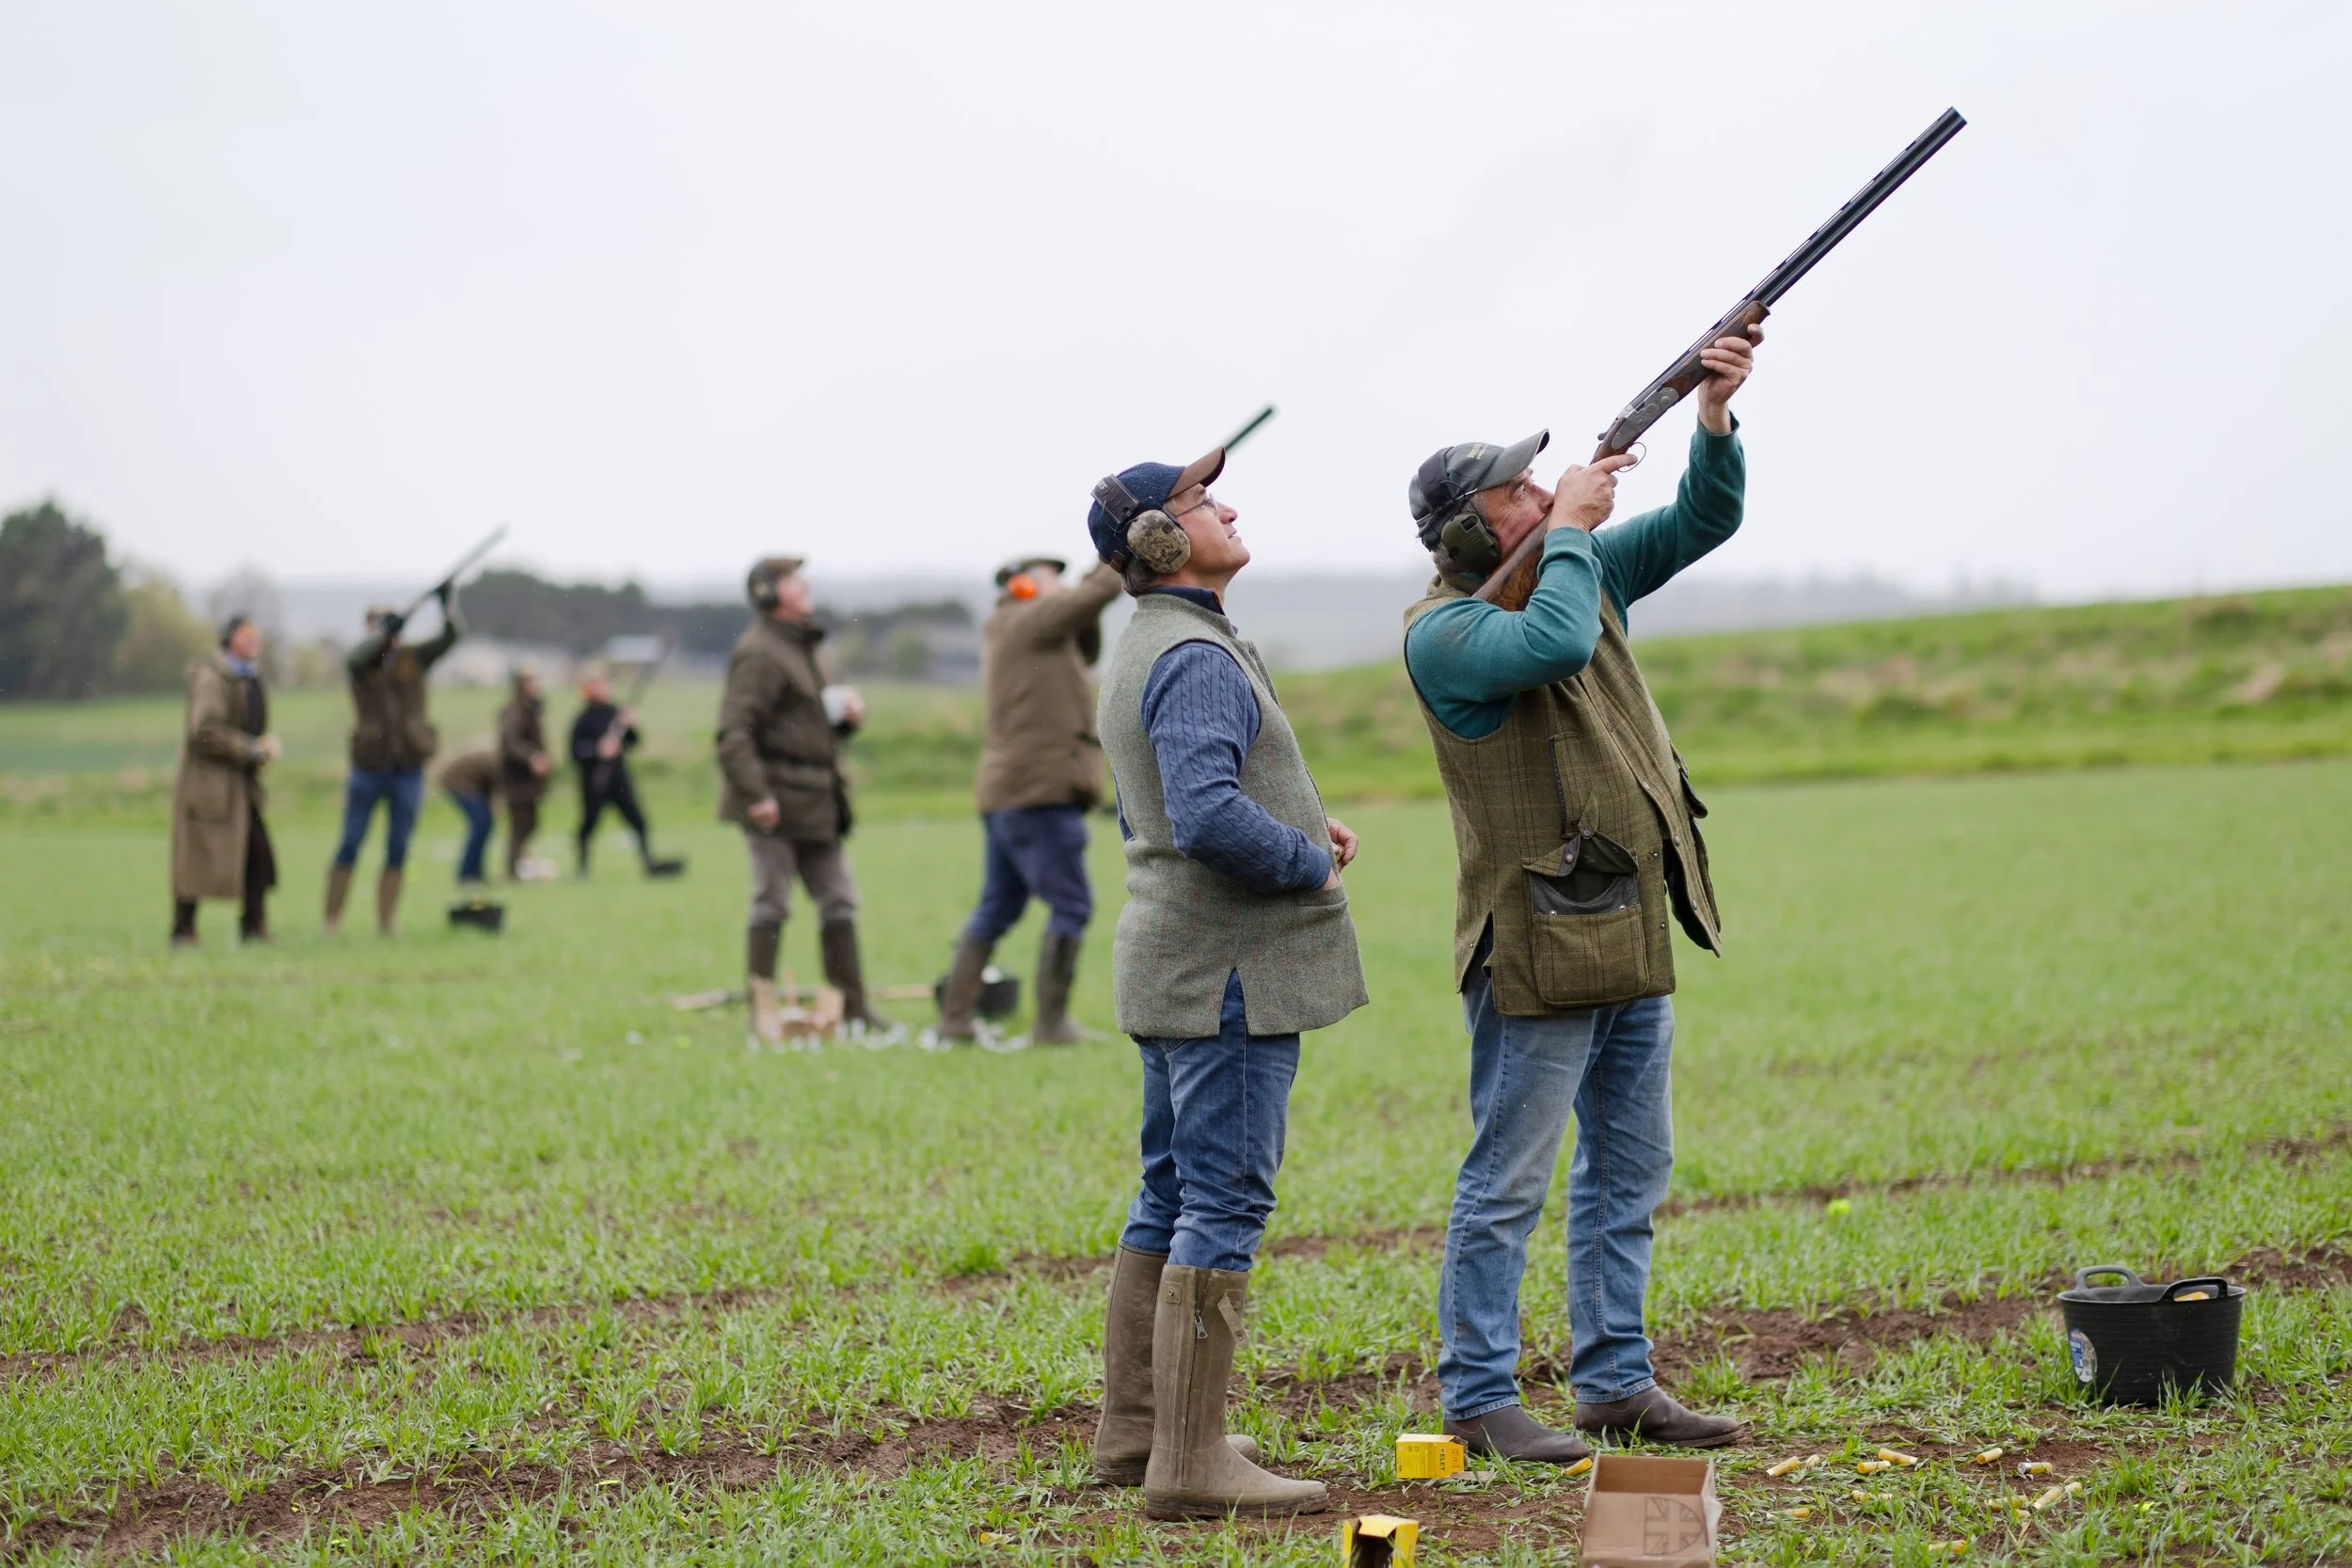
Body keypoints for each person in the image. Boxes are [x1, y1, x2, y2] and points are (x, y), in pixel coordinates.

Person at [1399, 326, 1763, 1464]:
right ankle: (1477, 1393)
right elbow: (1553, 643)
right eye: (1515, 490)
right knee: (1507, 1177)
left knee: (1629, 1166)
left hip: (1627, 917)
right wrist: (1567, 529)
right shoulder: (1443, 633)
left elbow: (1706, 523)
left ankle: (1614, 1380)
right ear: (1468, 530)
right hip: (1536, 944)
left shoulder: (1578, 562)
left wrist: (1707, 419)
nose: (1542, 491)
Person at [1085, 444, 1367, 1520]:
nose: (1229, 506)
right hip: (1226, 976)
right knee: (1225, 1196)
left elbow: (1162, 801)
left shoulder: (1153, 642)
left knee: (1168, 1188)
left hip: (1175, 962)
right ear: (1158, 537)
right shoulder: (1196, 654)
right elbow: (1202, 814)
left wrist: (1298, 816)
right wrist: (1304, 858)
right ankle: (1190, 1462)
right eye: (1203, 499)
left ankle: (1140, 1428)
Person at [935, 554, 1123, 1044]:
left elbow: (1084, 631)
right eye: (1049, 578)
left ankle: (955, 1021)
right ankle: (1051, 1023)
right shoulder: (1023, 619)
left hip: (1012, 792)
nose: (1059, 586)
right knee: (1072, 905)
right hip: (1037, 792)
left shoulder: (1023, 628)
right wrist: (1115, 554)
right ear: (1021, 585)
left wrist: (1080, 595)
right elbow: (1092, 597)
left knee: (996, 908)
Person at [715, 558, 890, 1041]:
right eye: (793, 580)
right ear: (769, 593)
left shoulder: (807, 647)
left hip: (818, 798)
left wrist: (844, 723)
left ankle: (853, 1010)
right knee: (771, 904)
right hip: (773, 798)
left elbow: (801, 728)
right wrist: (756, 795)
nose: (805, 585)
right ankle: (762, 1016)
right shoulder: (759, 652)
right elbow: (733, 733)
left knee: (839, 903)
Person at [326, 588, 462, 935]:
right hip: (368, 768)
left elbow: (451, 638)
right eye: (381, 624)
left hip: (408, 769)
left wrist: (447, 605)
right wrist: (384, 632)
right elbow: (357, 655)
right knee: (350, 843)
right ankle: (332, 920)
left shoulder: (412, 659)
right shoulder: (362, 664)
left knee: (398, 848)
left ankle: (387, 922)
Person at [169, 615, 280, 945]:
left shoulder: (251, 677)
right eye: (247, 635)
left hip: (241, 786)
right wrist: (250, 749)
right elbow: (202, 732)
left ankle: (254, 926)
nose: (253, 641)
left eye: (256, 634)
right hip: (208, 787)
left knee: (257, 856)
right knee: (195, 859)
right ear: (230, 638)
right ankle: (183, 930)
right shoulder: (212, 678)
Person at [570, 667, 680, 877]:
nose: (605, 688)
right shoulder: (583, 719)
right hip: (594, 781)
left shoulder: (615, 713)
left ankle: (648, 862)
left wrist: (630, 725)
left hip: (618, 779)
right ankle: (582, 868)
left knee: (638, 821)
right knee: (588, 825)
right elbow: (576, 751)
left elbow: (633, 742)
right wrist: (597, 750)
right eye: (600, 684)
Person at [498, 668, 552, 879]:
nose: (537, 685)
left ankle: (520, 866)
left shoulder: (531, 708)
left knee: (529, 823)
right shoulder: (515, 711)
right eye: (532, 681)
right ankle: (512, 872)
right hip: (516, 780)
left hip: (528, 781)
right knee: (520, 824)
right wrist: (532, 758)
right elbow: (510, 743)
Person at [439, 748, 501, 885]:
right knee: (481, 824)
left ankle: (476, 873)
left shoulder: (497, 754)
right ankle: (467, 874)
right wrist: (495, 807)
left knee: (484, 824)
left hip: (473, 782)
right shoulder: (498, 760)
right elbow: (497, 791)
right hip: (458, 782)